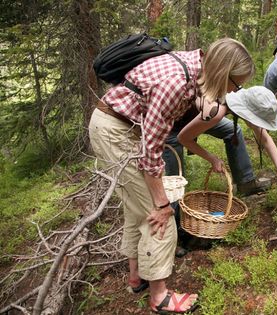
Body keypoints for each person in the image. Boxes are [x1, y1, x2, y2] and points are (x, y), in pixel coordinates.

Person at [88, 38, 254, 314]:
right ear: (223, 72)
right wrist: (163, 203)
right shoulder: (176, 84)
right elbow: (151, 152)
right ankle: (160, 297)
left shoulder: (194, 63)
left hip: (116, 126)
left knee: (137, 207)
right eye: (235, 83)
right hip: (115, 132)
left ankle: (136, 276)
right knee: (157, 211)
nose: (235, 89)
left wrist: (206, 103)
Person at [177, 85, 277, 193]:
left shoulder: (245, 98)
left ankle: (245, 183)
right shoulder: (217, 111)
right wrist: (212, 159)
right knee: (174, 184)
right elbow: (183, 138)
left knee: (233, 130)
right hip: (172, 122)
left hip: (200, 115)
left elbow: (265, 140)